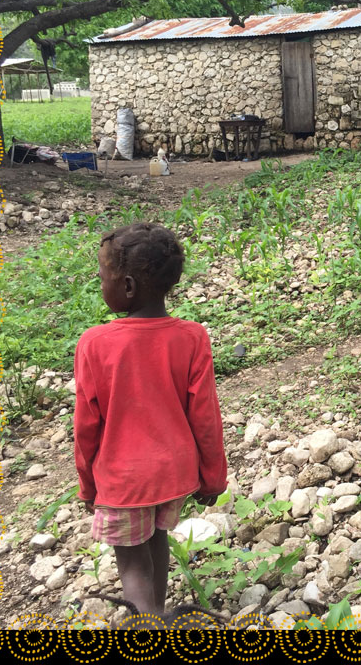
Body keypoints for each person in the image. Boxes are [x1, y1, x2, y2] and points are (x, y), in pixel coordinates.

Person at [74, 222, 227, 621]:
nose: (100, 283)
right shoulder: (192, 337)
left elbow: (86, 426)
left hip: (124, 479)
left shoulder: (95, 344)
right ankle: (157, 615)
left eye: (102, 276)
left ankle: (149, 628)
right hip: (172, 474)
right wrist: (213, 477)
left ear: (127, 286)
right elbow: (206, 417)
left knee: (132, 564)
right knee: (156, 538)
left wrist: (88, 484)